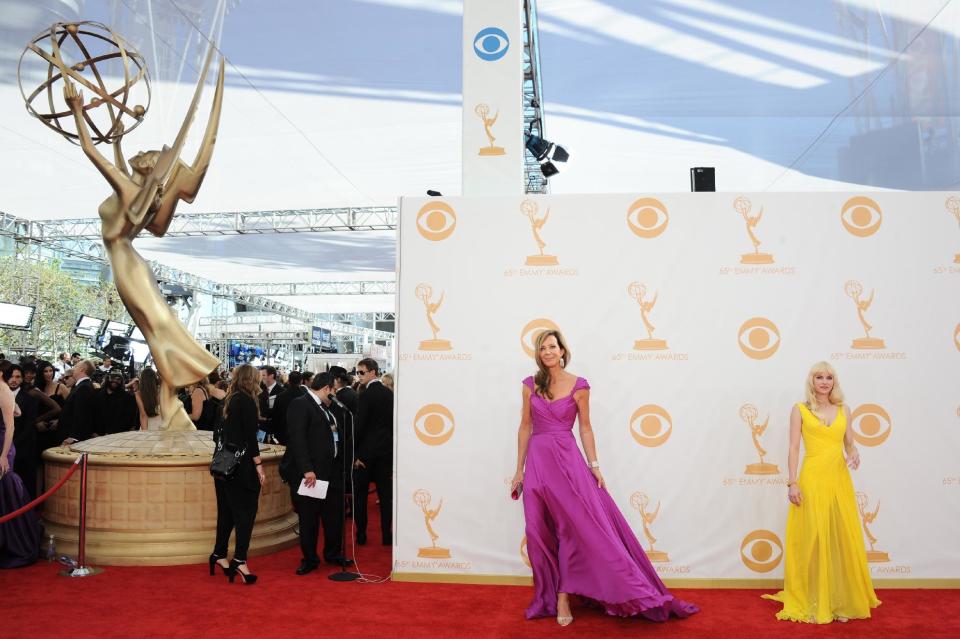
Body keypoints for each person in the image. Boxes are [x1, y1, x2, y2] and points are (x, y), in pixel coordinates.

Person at [510, 330, 698, 625]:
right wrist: (518, 470)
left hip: (568, 465)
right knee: (536, 532)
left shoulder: (580, 386)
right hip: (537, 463)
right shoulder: (529, 385)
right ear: (539, 354)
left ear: (562, 351)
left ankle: (563, 597)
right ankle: (545, 596)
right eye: (542, 347)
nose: (547, 351)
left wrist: (594, 465)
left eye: (552, 346)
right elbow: (524, 427)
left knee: (572, 531)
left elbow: (585, 428)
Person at [763, 362, 880, 623]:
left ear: (834, 382)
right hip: (812, 478)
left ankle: (838, 600)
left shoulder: (844, 410)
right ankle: (815, 599)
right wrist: (792, 483)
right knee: (813, 538)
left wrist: (855, 453)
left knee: (840, 537)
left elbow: (849, 444)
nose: (825, 382)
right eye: (819, 377)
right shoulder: (800, 410)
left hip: (839, 478)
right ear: (811, 381)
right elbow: (793, 448)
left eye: (829, 377)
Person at [281, 372, 351, 574]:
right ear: (327, 388)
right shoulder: (300, 404)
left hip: (332, 471)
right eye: (334, 390)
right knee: (309, 518)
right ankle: (310, 559)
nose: (335, 394)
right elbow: (297, 439)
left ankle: (333, 553)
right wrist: (307, 469)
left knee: (334, 516)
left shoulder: (328, 409)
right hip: (312, 474)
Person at [210, 364, 264, 585]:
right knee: (245, 514)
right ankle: (240, 560)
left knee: (227, 513)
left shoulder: (228, 400)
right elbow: (251, 439)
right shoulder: (247, 401)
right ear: (252, 380)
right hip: (241, 469)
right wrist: (259, 465)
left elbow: (216, 435)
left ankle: (219, 554)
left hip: (222, 466)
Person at [0, 360, 41, 567]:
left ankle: (13, 541)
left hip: (2, 445)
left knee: (6, 487)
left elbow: (11, 426)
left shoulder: (3, 389)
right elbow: (18, 412)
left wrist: (3, 455)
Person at [352, 358, 393, 546]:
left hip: (365, 455)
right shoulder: (389, 394)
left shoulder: (366, 395)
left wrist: (355, 454)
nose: (358, 376)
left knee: (361, 497)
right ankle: (387, 535)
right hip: (385, 454)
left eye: (362, 372)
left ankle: (361, 534)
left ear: (373, 372)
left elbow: (359, 427)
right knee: (386, 497)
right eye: (357, 372)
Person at [8, 364, 59, 499]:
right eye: (11, 376)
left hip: (24, 445)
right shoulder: (4, 394)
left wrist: (37, 421)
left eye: (18, 377)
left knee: (26, 480)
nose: (14, 379)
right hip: (7, 444)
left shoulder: (31, 395)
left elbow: (29, 424)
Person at [60, 360, 98, 444]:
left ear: (82, 369)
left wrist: (74, 437)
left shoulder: (83, 387)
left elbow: (82, 413)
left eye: (76, 366)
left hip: (74, 437)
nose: (73, 368)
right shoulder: (82, 386)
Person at [94, 369, 139, 434]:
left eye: (118, 379)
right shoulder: (98, 394)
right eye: (112, 378)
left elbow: (129, 418)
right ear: (108, 378)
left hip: (118, 435)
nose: (115, 381)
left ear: (121, 381)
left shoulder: (127, 397)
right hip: (98, 435)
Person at [272, 371, 306, 445]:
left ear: (289, 381)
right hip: (300, 433)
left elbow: (275, 415)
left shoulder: (280, 396)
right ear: (301, 381)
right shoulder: (306, 397)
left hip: (282, 432)